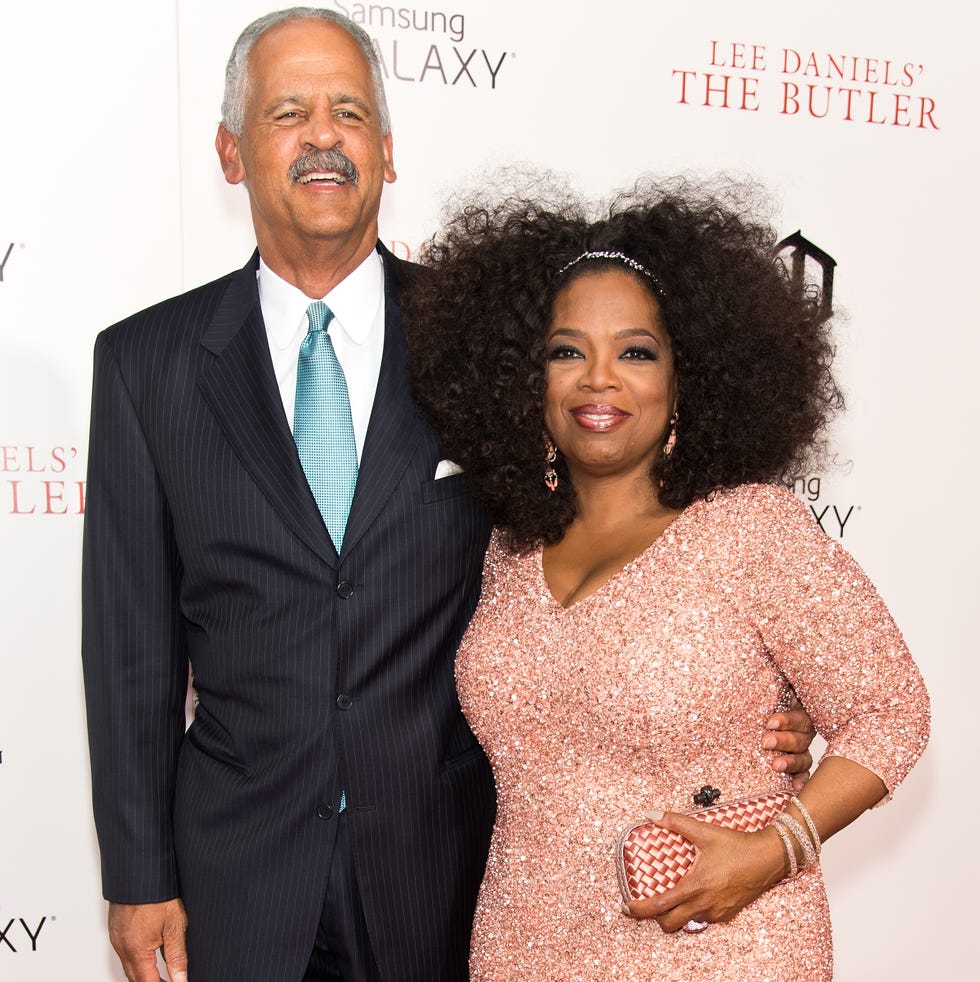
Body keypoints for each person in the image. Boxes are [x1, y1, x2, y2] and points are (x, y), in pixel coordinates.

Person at [80, 10, 816, 982]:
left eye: (348, 112)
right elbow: (131, 645)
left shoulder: (495, 348)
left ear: (386, 152)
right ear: (230, 150)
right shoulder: (146, 364)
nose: (322, 136)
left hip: (453, 869)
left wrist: (770, 691)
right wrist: (138, 875)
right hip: (236, 874)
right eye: (287, 112)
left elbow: (643, 527)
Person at [403, 178, 930, 980]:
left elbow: (891, 712)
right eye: (567, 350)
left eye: (637, 351)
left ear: (687, 378)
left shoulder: (750, 528)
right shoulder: (507, 552)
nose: (600, 378)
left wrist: (774, 849)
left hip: (720, 947)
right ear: (526, 380)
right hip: (525, 946)